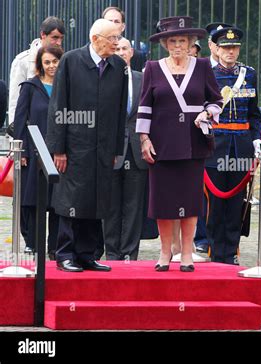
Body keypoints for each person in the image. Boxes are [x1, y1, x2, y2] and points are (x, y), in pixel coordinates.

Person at [137, 16, 222, 272]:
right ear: (164, 43)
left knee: (190, 201)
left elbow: (216, 101)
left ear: (191, 42)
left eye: (182, 41)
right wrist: (144, 138)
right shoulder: (152, 68)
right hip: (161, 145)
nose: (177, 45)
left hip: (192, 144)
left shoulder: (203, 66)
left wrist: (207, 114)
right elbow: (144, 106)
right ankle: (165, 253)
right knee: (163, 202)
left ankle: (186, 254)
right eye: (172, 40)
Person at [46, 19, 128, 272]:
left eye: (118, 38)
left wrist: (116, 150)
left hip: (104, 147)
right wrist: (58, 149)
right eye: (112, 38)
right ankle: (65, 254)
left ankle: (86, 254)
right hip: (74, 146)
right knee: (72, 200)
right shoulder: (71, 61)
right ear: (95, 39)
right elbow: (58, 106)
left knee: (97, 199)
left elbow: (119, 113)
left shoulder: (118, 67)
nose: (117, 44)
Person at [205, 27, 261, 264]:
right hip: (214, 147)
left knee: (236, 204)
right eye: (226, 48)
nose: (230, 52)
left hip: (241, 146)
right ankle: (215, 251)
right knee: (215, 203)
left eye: (234, 47)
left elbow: (254, 114)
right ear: (216, 49)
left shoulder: (249, 74)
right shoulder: (205, 73)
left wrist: (256, 141)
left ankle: (231, 252)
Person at [13, 46, 63, 258]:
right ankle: (32, 243)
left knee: (57, 201)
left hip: (59, 151)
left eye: (55, 61)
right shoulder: (30, 87)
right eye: (47, 62)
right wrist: (22, 150)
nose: (51, 66)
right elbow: (20, 119)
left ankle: (55, 247)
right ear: (40, 65)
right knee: (33, 199)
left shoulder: (66, 85)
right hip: (34, 152)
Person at [102, 37, 147, 261]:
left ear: (131, 52)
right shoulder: (103, 78)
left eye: (124, 49)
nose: (120, 52)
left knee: (134, 205)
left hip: (137, 150)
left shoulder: (143, 79)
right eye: (116, 48)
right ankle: (112, 253)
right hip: (111, 150)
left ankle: (130, 252)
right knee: (110, 205)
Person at [9, 16, 65, 124]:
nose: (59, 42)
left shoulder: (64, 60)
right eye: (55, 37)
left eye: (61, 38)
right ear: (43, 35)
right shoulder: (23, 61)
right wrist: (15, 136)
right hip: (32, 127)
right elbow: (14, 102)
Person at [102, 6, 146, 72]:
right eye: (109, 21)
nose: (113, 25)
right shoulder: (93, 52)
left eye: (116, 21)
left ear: (123, 27)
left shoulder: (137, 57)